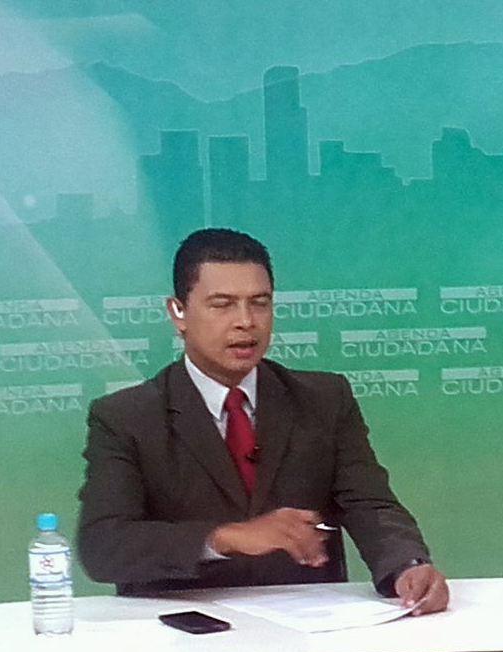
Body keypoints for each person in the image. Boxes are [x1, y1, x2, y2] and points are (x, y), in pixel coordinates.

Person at [76, 228, 448, 612]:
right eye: (222, 304)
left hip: (306, 626)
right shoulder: (126, 418)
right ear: (178, 313)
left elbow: (371, 506)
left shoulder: (323, 399)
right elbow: (104, 544)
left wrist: (408, 565)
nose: (245, 321)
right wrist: (224, 537)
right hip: (183, 627)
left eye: (259, 303)